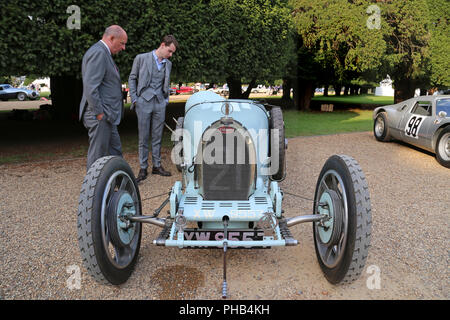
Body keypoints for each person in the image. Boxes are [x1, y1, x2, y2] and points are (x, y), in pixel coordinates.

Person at [128, 35, 178, 182]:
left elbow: (166, 82)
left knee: (157, 136)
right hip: (143, 102)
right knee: (143, 137)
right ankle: (143, 168)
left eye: (172, 53)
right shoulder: (141, 58)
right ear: (162, 45)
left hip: (160, 103)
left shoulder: (168, 64)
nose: (170, 55)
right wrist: (135, 99)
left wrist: (166, 100)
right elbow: (132, 78)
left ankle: (157, 166)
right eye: (169, 51)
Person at [79, 25, 127, 171]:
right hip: (100, 115)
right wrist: (99, 113)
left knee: (115, 151)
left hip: (108, 115)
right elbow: (90, 87)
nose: (123, 48)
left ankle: (118, 183)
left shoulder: (103, 53)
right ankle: (93, 191)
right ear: (111, 38)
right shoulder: (99, 53)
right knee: (97, 157)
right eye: (122, 43)